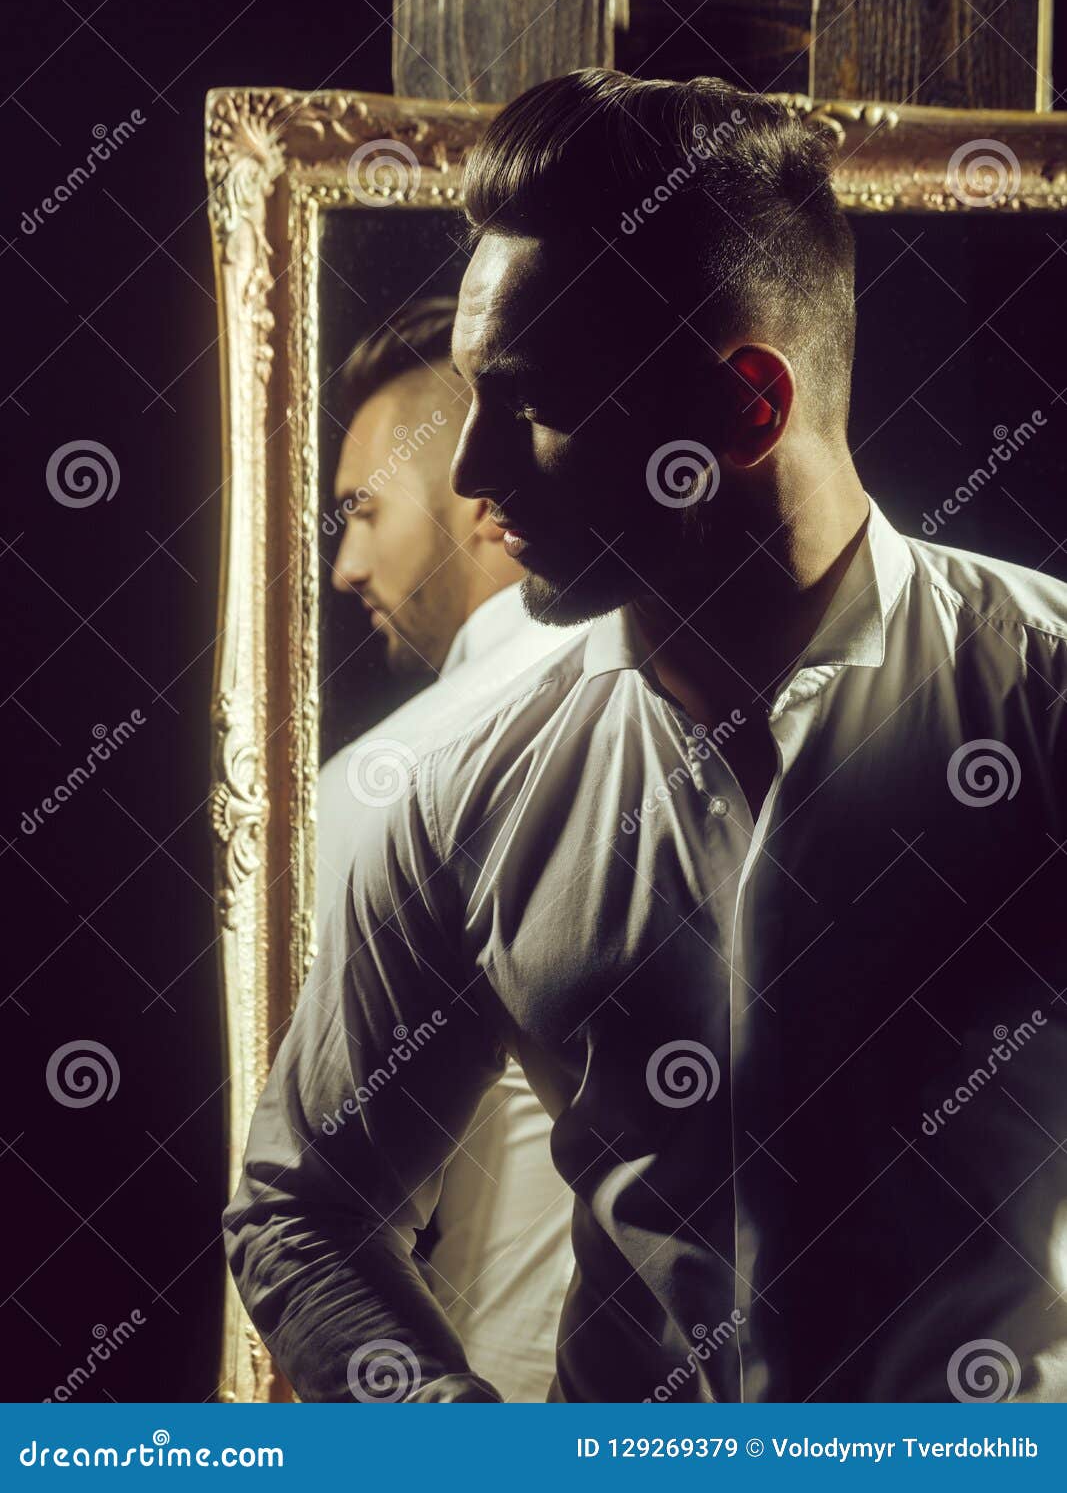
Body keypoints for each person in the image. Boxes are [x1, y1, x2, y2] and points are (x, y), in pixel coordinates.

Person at [224, 69, 1067, 1404]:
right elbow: (297, 1206)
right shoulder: (470, 781)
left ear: (742, 410)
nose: (468, 474)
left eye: (535, 402)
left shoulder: (1040, 702)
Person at [319, 297, 583, 1402]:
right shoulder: (708, 700)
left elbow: (316, 1220)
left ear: (479, 500)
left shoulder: (384, 786)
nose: (343, 565)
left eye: (361, 510)